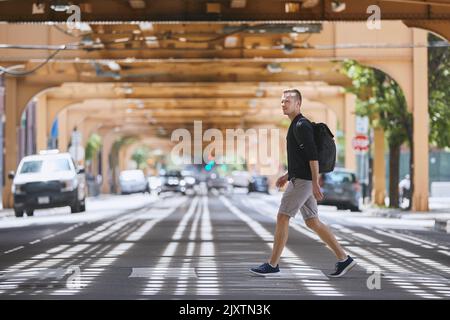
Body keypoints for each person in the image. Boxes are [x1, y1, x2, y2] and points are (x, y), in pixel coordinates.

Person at [250, 89, 356, 278]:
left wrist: (315, 182)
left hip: (303, 182)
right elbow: (301, 158)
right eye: (282, 101)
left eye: (288, 101)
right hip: (300, 178)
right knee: (313, 222)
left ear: (298, 104)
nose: (284, 104)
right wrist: (286, 174)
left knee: (283, 217)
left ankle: (272, 264)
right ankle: (344, 258)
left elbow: (312, 156)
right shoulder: (295, 125)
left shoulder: (301, 125)